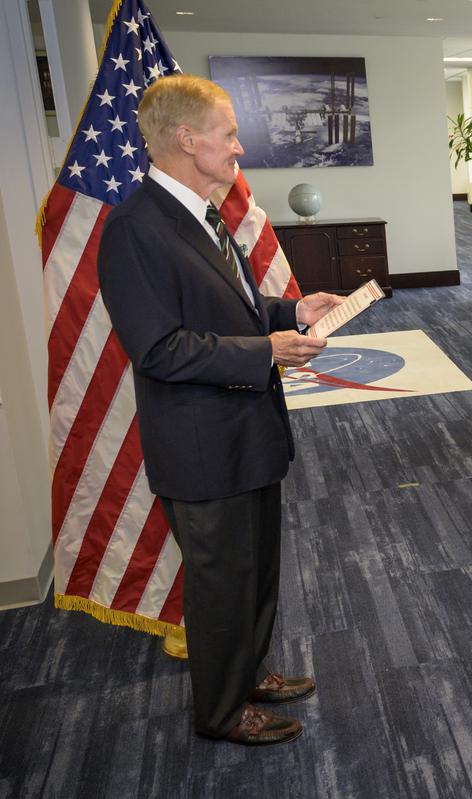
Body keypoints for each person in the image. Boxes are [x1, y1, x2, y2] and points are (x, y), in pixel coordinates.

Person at [98, 75, 345, 745]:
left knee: (255, 570)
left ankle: (249, 674)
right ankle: (220, 712)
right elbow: (159, 349)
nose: (239, 148)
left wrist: (292, 310)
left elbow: (228, 311)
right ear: (187, 139)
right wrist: (264, 350)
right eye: (229, 134)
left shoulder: (203, 213)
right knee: (218, 588)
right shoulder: (133, 230)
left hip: (247, 436)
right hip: (203, 447)